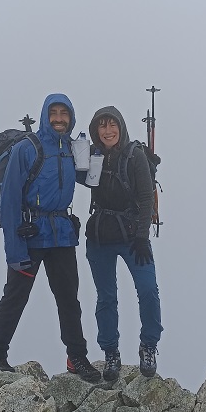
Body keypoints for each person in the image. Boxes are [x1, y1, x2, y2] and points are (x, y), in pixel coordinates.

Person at [0, 93, 101, 382]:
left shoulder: (72, 149)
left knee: (68, 300)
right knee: (15, 296)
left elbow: (92, 178)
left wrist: (132, 161)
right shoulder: (27, 148)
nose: (59, 119)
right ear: (45, 116)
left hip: (61, 235)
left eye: (64, 113)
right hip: (30, 235)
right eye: (54, 113)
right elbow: (10, 200)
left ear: (71, 117)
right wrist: (14, 251)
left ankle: (77, 357)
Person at [80, 105, 163, 381]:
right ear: (96, 130)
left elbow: (146, 197)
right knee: (106, 297)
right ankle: (110, 353)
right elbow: (75, 176)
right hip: (100, 236)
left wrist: (142, 238)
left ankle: (148, 346)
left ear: (121, 127)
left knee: (148, 291)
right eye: (102, 125)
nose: (108, 131)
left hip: (132, 237)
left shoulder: (135, 156)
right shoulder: (91, 155)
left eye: (112, 124)